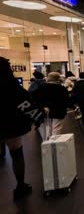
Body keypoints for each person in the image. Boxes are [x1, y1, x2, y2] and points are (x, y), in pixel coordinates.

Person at [0, 57, 42, 200]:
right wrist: (38, 117)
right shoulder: (11, 86)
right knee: (16, 154)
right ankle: (20, 186)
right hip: (9, 126)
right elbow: (26, 104)